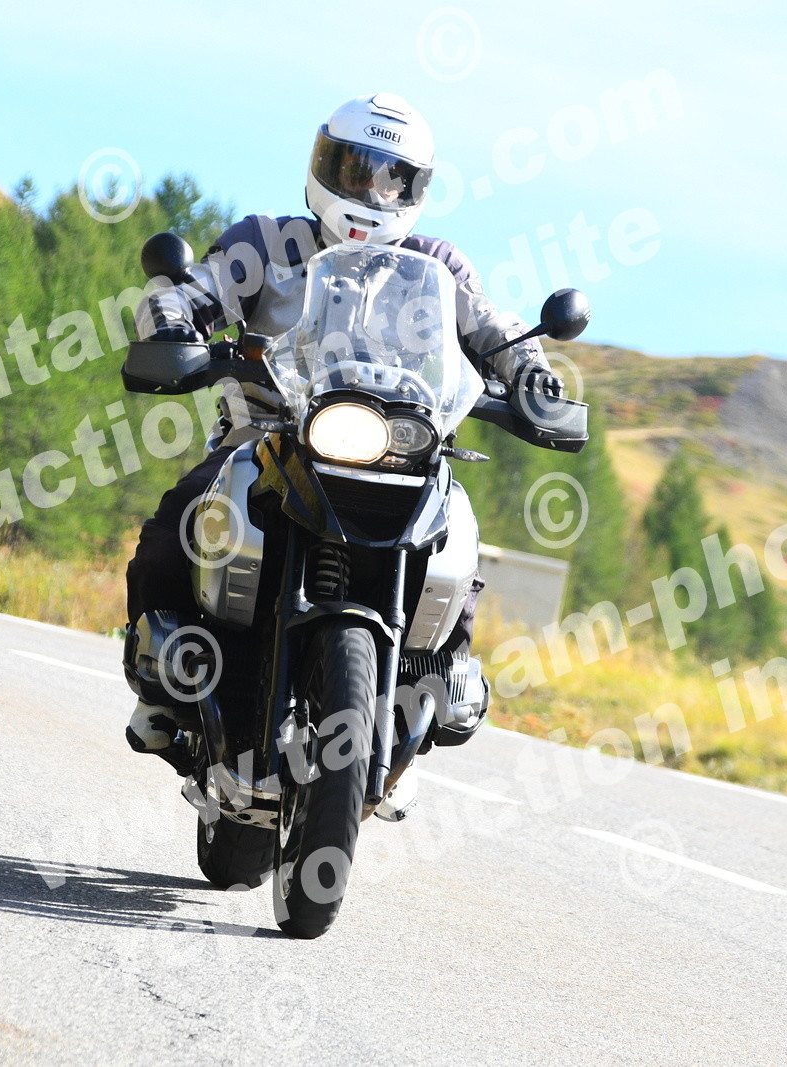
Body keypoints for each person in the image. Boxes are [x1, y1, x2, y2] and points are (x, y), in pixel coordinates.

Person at [123, 92, 563, 762]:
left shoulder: (439, 266)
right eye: (357, 169)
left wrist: (531, 370)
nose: (371, 191)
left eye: (392, 178)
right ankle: (162, 683)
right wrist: (172, 324)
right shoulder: (264, 243)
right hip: (265, 437)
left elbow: (490, 326)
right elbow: (196, 290)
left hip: (400, 453)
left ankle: (435, 680)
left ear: (415, 189)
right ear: (324, 163)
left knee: (457, 542)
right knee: (176, 526)